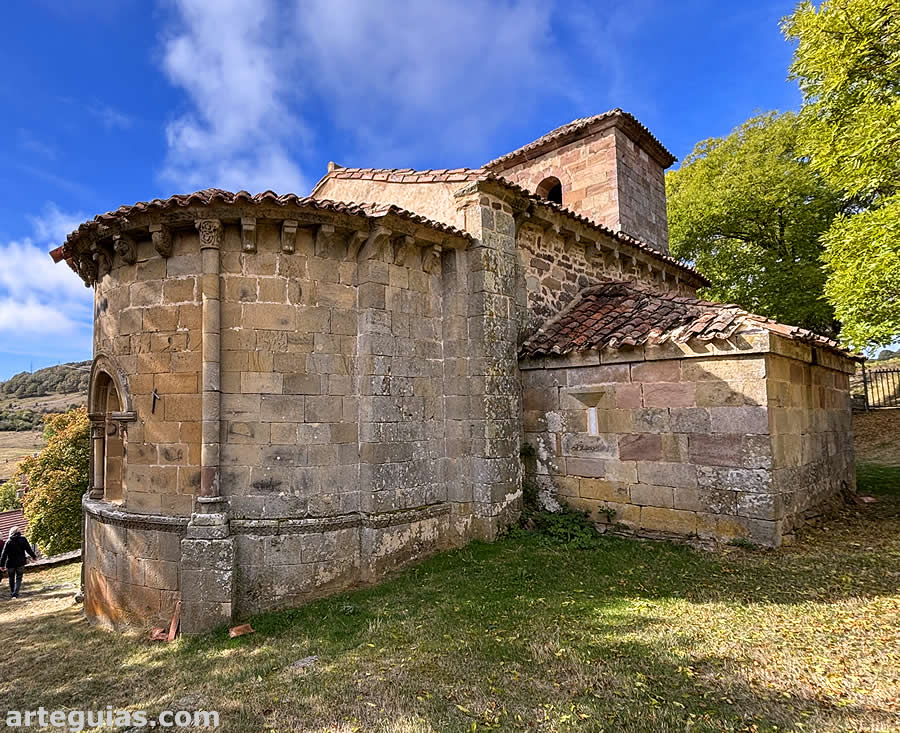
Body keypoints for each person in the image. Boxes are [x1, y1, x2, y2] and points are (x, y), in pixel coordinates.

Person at [0, 527, 37, 598]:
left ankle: (12, 592)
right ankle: (15, 593)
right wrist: (34, 557)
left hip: (10, 563)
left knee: (11, 578)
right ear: (18, 532)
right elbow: (28, 549)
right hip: (20, 562)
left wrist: (1, 565)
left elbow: (4, 554)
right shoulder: (23, 539)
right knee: (19, 578)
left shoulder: (8, 541)